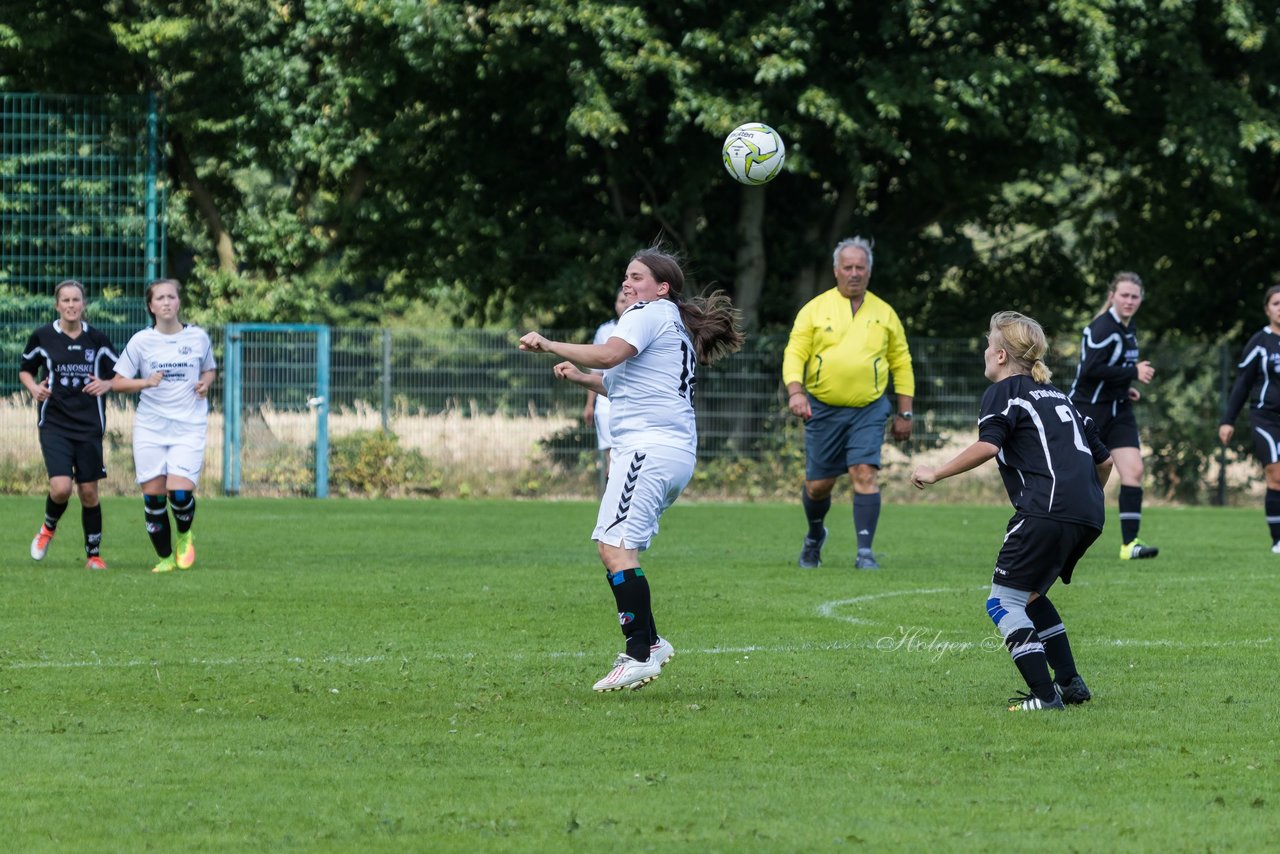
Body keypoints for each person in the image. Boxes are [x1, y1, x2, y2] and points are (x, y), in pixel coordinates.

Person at [519, 247, 744, 692]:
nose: (628, 282)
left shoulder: (648, 312)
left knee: (614, 547)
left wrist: (548, 342)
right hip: (667, 451)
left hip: (649, 450)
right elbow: (620, 382)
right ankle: (651, 643)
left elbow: (609, 355)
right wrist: (583, 378)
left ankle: (639, 653)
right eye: (626, 275)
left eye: (637, 276)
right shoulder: (669, 321)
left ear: (662, 287)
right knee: (617, 546)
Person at [911, 311, 1112, 712]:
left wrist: (936, 472)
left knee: (1002, 603)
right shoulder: (1061, 397)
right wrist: (1081, 498)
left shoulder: (1006, 393)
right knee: (1031, 596)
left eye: (988, 344)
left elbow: (988, 446)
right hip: (1088, 513)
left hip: (1045, 511)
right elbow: (1105, 463)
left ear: (1001, 355)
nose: (985, 351)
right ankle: (1070, 683)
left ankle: (1044, 696)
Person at [783, 236, 915, 570]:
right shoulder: (815, 309)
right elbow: (795, 352)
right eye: (848, 267)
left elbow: (901, 362)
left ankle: (865, 553)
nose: (854, 273)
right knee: (818, 486)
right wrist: (796, 392)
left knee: (864, 472)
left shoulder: (885, 313)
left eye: (860, 267)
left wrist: (905, 412)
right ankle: (814, 537)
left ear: (869, 272)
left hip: (870, 408)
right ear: (836, 270)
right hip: (822, 407)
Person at [110, 279, 217, 574]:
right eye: (160, 298)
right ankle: (166, 558)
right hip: (151, 426)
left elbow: (209, 369)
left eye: (171, 296)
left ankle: (184, 536)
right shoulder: (141, 341)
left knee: (180, 494)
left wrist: (205, 383)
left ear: (179, 302)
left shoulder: (197, 337)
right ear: (151, 306)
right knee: (154, 496)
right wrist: (145, 381)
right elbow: (117, 382)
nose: (167, 302)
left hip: (188, 425)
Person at [19, 279, 119, 570]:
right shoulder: (43, 336)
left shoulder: (97, 340)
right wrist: (33, 388)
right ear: (57, 305)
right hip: (54, 423)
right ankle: (48, 528)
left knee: (88, 492)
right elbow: (26, 370)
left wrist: (107, 383)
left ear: (83, 305)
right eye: (66, 300)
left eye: (76, 300)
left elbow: (120, 373)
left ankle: (94, 555)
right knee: (61, 488)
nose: (71, 305)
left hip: (89, 425)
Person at [1068, 272, 1159, 560]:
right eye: (1125, 295)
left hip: (1119, 409)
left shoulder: (1128, 329)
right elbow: (1090, 370)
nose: (1130, 301)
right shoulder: (1102, 327)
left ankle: (1129, 545)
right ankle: (1063, 536)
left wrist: (1125, 387)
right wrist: (1132, 373)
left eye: (1135, 296)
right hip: (1089, 410)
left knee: (1134, 471)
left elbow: (1111, 370)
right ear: (1112, 296)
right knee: (1080, 477)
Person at [1219, 284, 1280, 553]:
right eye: (1276, 303)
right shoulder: (1260, 342)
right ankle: (1278, 540)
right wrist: (1228, 420)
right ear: (1267, 309)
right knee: (1276, 475)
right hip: (1266, 418)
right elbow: (1242, 384)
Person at [583, 286, 632, 485]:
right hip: (606, 399)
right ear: (615, 305)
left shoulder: (643, 326)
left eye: (628, 300)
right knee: (610, 453)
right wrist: (589, 404)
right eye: (621, 301)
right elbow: (596, 369)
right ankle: (614, 487)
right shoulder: (605, 331)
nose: (625, 304)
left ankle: (620, 489)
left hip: (631, 398)